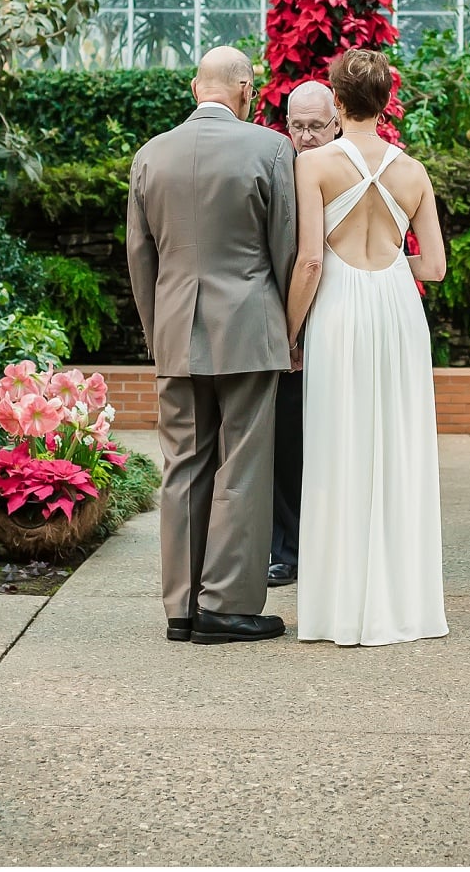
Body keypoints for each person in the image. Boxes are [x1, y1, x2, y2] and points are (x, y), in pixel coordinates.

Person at [127, 46, 298, 645]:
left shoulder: (150, 155)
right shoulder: (271, 149)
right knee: (244, 466)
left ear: (193, 88)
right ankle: (225, 605)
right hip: (249, 329)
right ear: (246, 88)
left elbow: (139, 257)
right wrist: (289, 329)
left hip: (175, 329)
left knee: (182, 464)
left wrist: (158, 334)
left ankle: (180, 608)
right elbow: (286, 250)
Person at [286, 49, 449, 646]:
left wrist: (289, 330)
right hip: (397, 311)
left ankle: (339, 608)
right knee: (399, 446)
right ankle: (405, 605)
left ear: (336, 100)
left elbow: (308, 261)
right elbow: (432, 266)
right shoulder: (414, 172)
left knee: (337, 447)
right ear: (386, 98)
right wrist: (387, 264)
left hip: (340, 308)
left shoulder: (316, 164)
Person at [269, 79, 339, 589]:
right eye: (298, 125)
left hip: (340, 319)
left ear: (336, 120)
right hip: (288, 323)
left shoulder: (350, 168)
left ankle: (333, 545)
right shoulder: (280, 166)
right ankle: (286, 551)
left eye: (316, 126)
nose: (307, 136)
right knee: (286, 443)